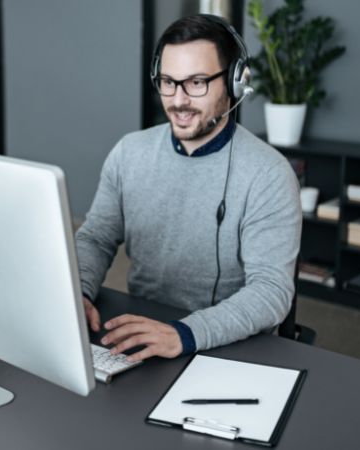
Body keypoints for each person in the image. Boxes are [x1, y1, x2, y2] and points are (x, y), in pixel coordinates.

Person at [75, 14, 301, 362]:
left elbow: (271, 290)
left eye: (196, 82)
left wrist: (186, 334)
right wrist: (79, 290)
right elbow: (96, 237)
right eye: (168, 81)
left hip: (229, 343)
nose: (178, 100)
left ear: (234, 82)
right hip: (143, 331)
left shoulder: (268, 173)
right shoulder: (129, 152)